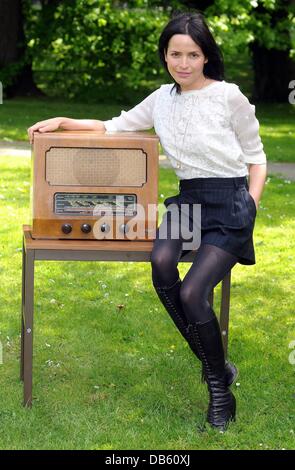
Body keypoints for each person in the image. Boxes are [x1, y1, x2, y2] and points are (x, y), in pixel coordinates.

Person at [28, 11, 267, 432]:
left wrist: (250, 204)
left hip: (230, 203)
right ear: (165, 56)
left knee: (194, 292)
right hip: (189, 201)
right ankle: (218, 368)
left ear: (206, 56)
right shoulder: (162, 99)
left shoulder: (229, 96)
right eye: (176, 54)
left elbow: (257, 158)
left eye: (193, 54)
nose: (184, 63)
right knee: (160, 265)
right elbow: (112, 126)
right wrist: (64, 121)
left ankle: (218, 391)